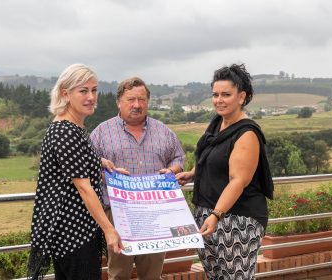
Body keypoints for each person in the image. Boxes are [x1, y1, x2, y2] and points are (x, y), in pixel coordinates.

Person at [176, 64, 274, 279]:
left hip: (237, 219)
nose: (219, 100)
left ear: (241, 97)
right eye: (215, 94)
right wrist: (193, 173)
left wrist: (216, 215)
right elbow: (214, 157)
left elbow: (238, 180)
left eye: (226, 94)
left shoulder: (246, 133)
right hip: (208, 214)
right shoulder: (217, 124)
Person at [27, 64, 124, 280]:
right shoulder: (65, 132)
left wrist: (99, 162)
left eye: (94, 90)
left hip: (75, 229)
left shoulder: (73, 128)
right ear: (65, 93)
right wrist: (109, 229)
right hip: (73, 232)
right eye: (83, 90)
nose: (91, 97)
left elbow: (74, 161)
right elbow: (83, 187)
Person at [90, 77, 185, 280]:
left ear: (147, 102)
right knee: (119, 273)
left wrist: (172, 170)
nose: (137, 105)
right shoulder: (101, 132)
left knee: (152, 274)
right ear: (119, 102)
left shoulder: (164, 131)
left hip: (155, 214)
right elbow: (88, 166)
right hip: (118, 214)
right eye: (131, 99)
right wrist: (106, 176)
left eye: (141, 100)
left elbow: (179, 157)